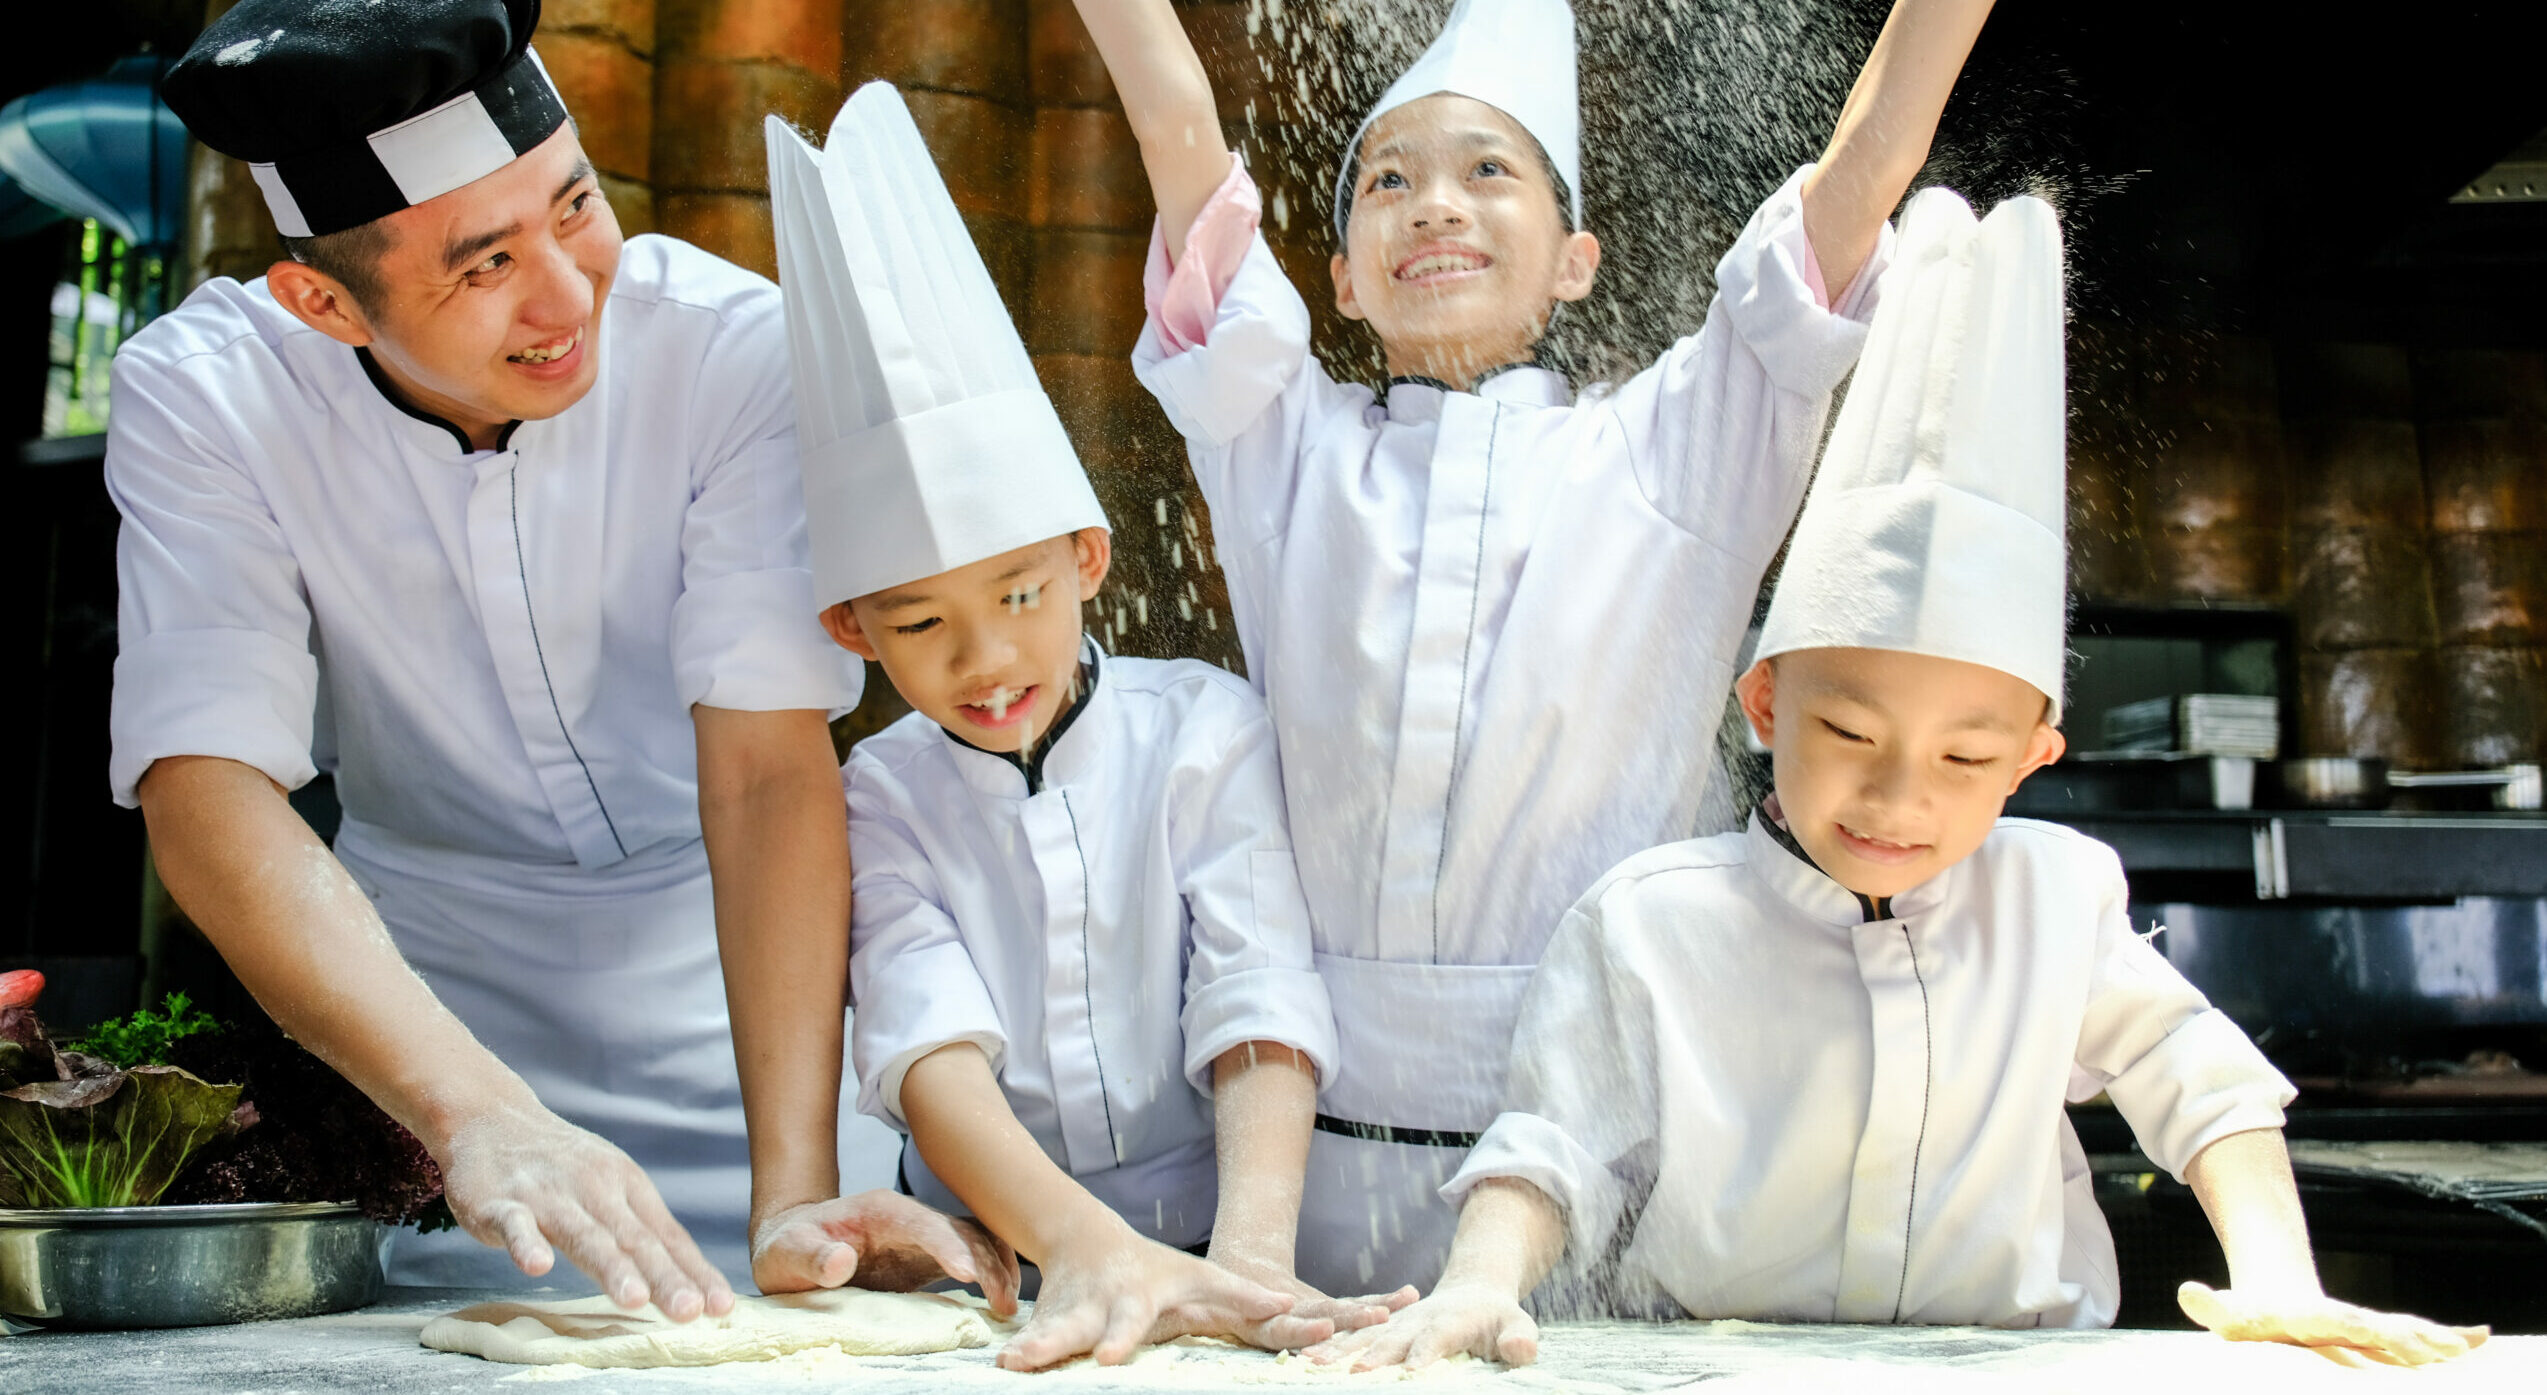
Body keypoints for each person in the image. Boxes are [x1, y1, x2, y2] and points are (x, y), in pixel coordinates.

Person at [1315, 188, 2491, 1370]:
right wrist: (1476, 1285)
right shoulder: (1650, 922)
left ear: (2036, 759)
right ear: (1767, 704)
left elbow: (2202, 1082)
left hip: (2018, 1368)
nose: (1897, 800)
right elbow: (1548, 1144)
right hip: (1717, 1368)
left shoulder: (2058, 901)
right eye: (1853, 736)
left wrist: (2281, 1279)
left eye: (1967, 759)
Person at [1069, 0, 1994, 1294]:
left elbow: (1848, 193)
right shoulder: (1282, 447)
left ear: (1573, 258)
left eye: (1485, 172)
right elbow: (1186, 158)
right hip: (1297, 1187)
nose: (1433, 205)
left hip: (1612, 1172)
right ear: (1335, 275)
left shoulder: (1674, 449)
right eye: (1388, 181)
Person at [110, 0, 998, 1311]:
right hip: (412, 1024)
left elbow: (763, 770)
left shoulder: (731, 352)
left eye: (574, 206)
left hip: (740, 1001)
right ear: (321, 300)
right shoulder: (206, 394)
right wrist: (472, 1113)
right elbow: (205, 787)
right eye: (484, 266)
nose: (571, 292)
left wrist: (795, 1186)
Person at [765, 83, 1393, 1370]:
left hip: (1233, 1236)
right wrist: (1081, 1248)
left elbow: (1256, 987)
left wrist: (1253, 1266)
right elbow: (925, 1042)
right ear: (851, 631)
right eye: (920, 624)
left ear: (1089, 555)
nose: (988, 659)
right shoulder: (876, 793)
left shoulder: (1201, 729)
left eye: (1019, 595)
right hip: (987, 1260)